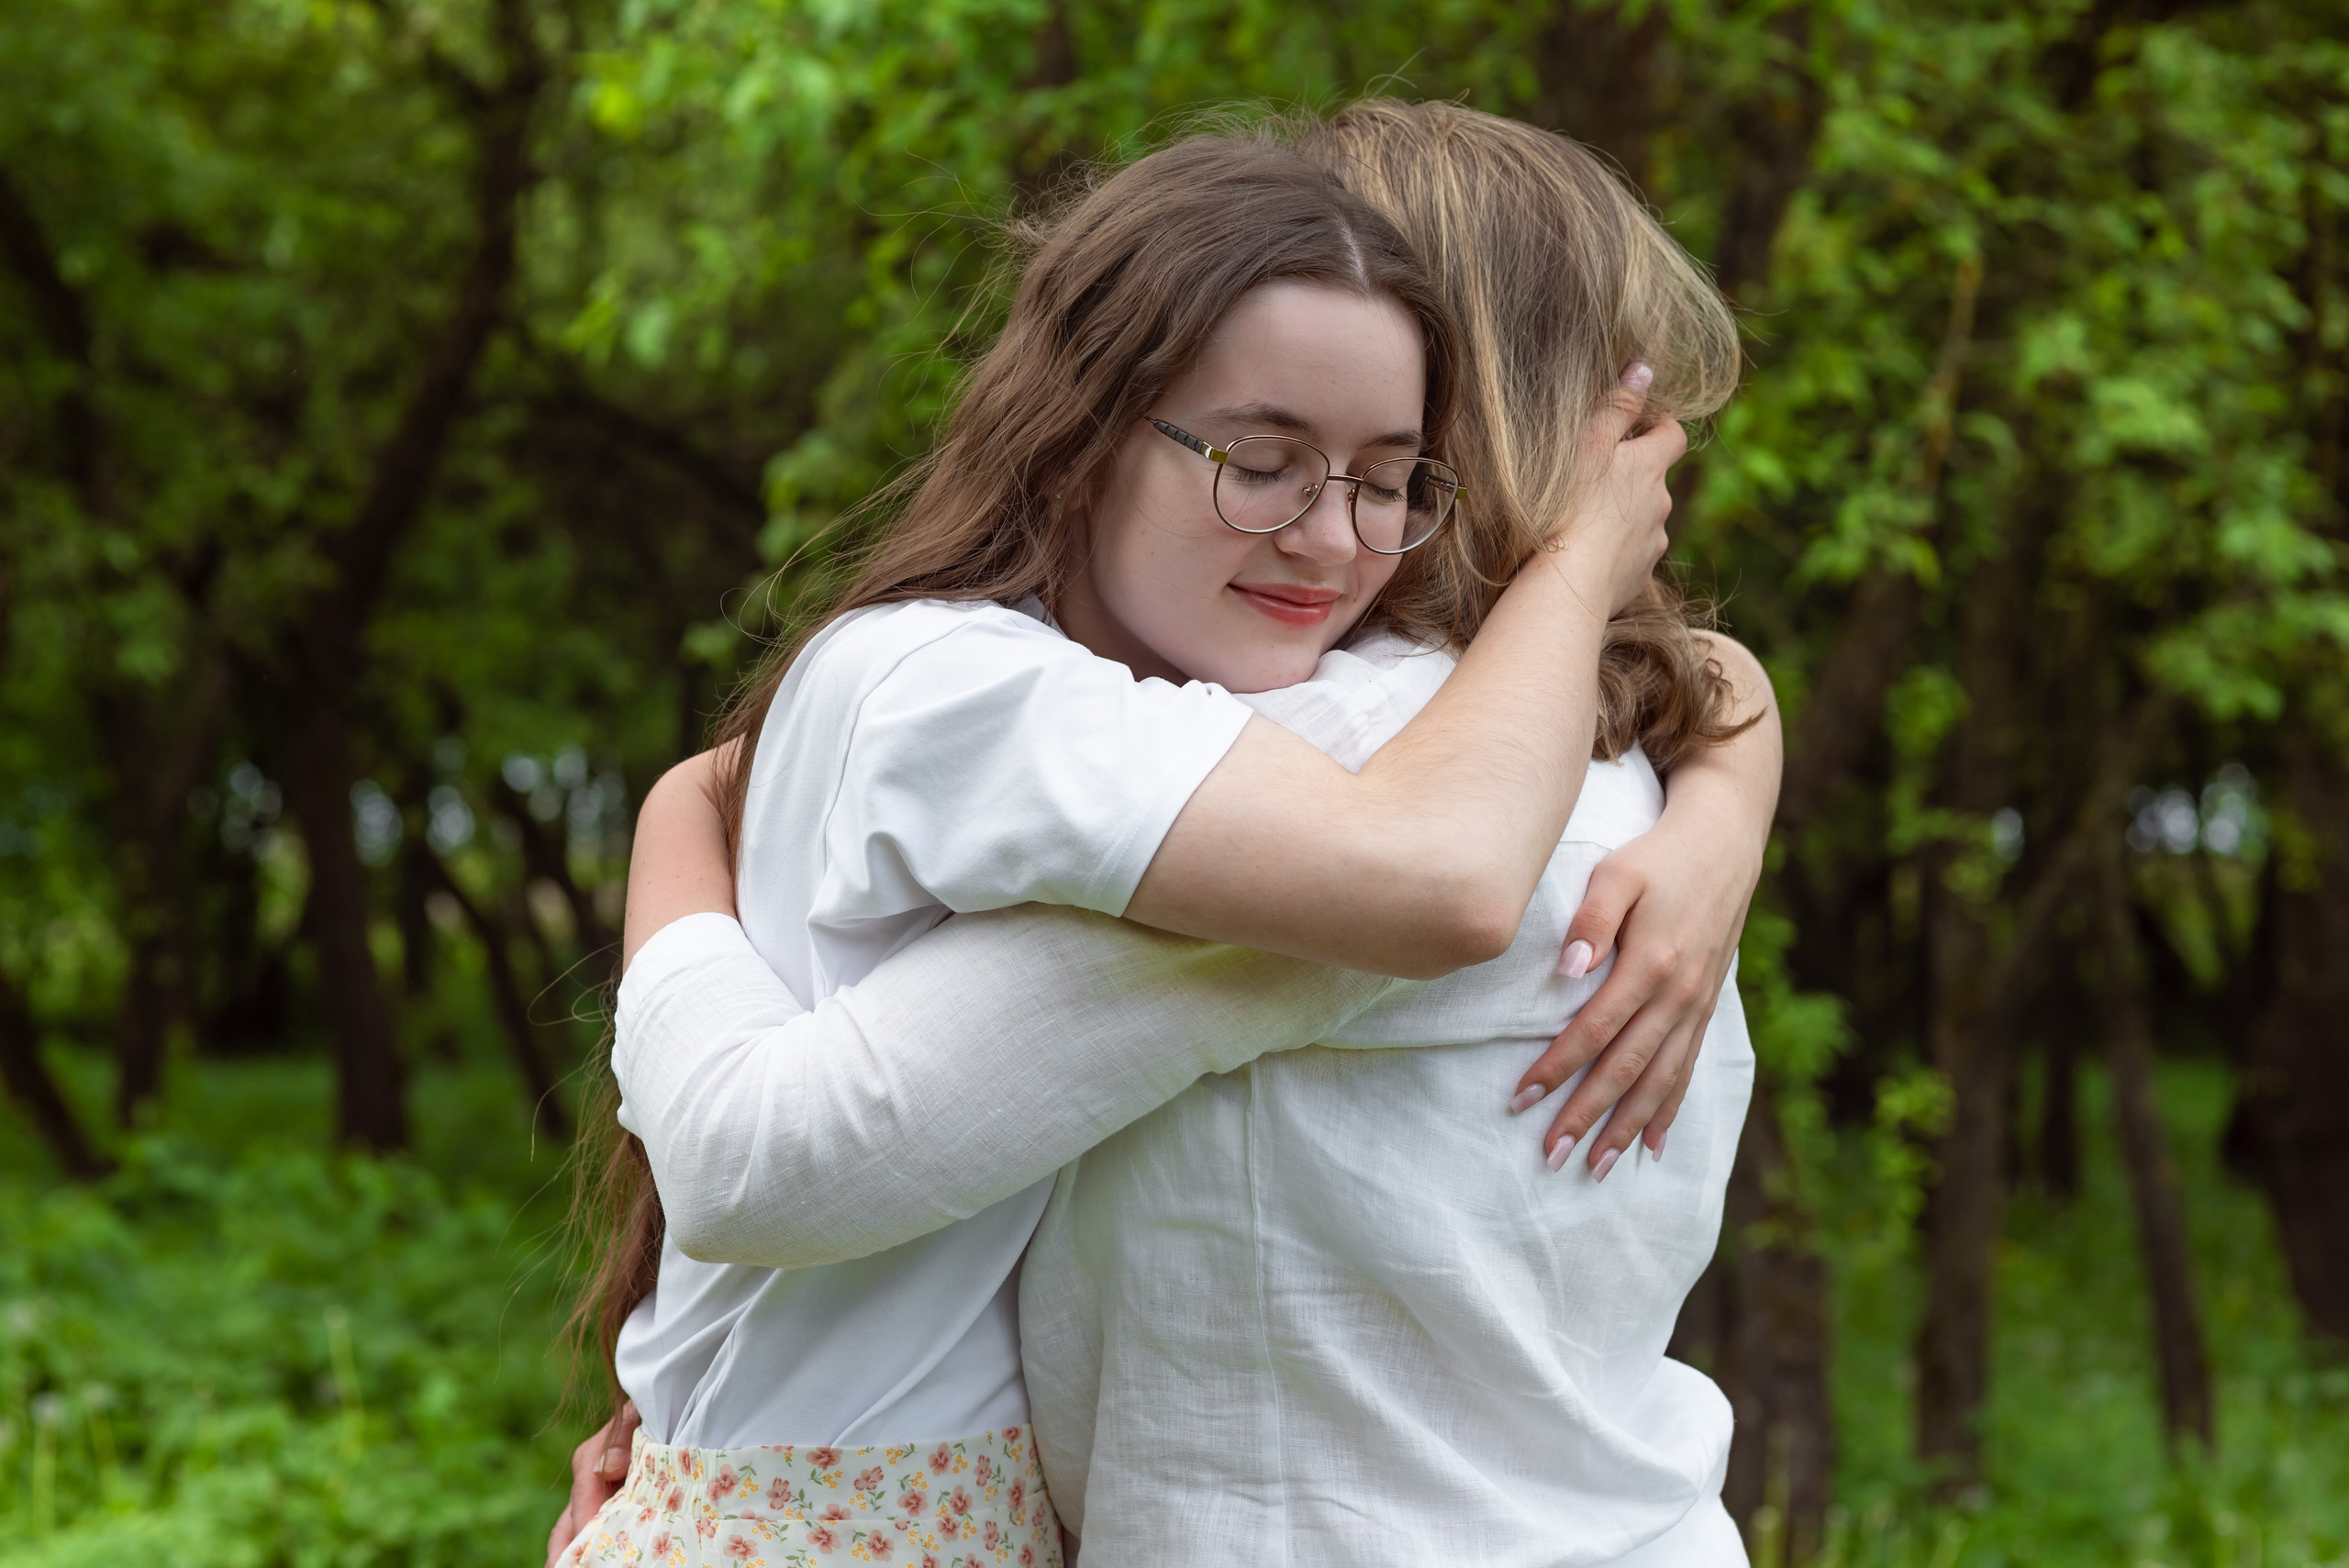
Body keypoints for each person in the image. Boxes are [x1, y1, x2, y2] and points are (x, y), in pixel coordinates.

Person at [551, 109, 1776, 1568]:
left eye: (1382, 470)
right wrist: (1719, 751)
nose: (1328, 532)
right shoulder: (1582, 756)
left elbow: (776, 1154)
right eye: (1262, 452)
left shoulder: (1397, 768)